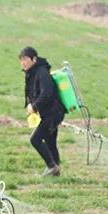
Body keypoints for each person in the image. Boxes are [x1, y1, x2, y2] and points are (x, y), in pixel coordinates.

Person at [19, 46, 65, 177]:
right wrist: (29, 104)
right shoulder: (32, 72)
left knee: (35, 140)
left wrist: (34, 106)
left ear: (34, 59)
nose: (23, 63)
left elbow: (47, 93)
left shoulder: (42, 72)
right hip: (48, 112)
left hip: (52, 113)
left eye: (25, 59)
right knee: (50, 141)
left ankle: (52, 166)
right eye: (21, 60)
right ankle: (55, 169)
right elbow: (31, 92)